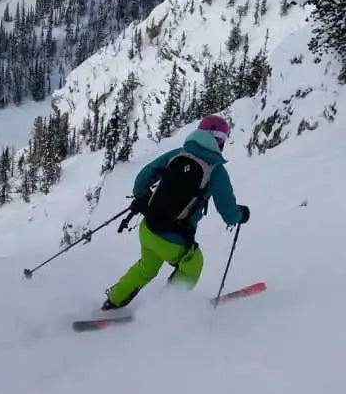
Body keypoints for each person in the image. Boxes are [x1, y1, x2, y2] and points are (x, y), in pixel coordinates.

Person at [101, 115, 250, 310]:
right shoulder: (216, 171)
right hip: (173, 239)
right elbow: (229, 214)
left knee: (147, 267)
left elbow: (142, 178)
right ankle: (167, 308)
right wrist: (241, 215)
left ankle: (113, 299)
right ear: (220, 142)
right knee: (193, 262)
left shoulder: (178, 153)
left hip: (148, 228)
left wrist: (143, 196)